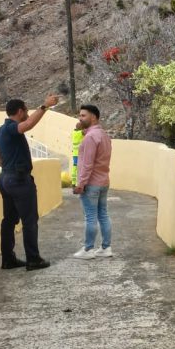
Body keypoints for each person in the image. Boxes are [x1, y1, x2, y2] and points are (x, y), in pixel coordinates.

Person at [0, 95, 59, 271]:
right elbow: (27, 126)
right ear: (20, 111)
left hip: (5, 178)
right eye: (26, 111)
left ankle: (8, 259)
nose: (27, 114)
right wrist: (44, 106)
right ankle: (33, 259)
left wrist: (9, 168)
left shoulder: (0, 130)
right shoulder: (12, 128)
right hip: (19, 180)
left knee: (9, 220)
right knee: (29, 220)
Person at [72, 104, 113, 260]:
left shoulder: (90, 138)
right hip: (103, 181)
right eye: (80, 115)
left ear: (93, 117)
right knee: (103, 215)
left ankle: (88, 249)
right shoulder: (103, 135)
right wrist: (81, 129)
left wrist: (80, 184)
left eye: (83, 115)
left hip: (91, 183)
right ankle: (106, 247)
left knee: (90, 217)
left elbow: (87, 164)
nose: (80, 118)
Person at [70, 120, 85, 185]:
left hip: (75, 154)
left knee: (75, 167)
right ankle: (80, 183)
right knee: (81, 168)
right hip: (80, 153)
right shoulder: (80, 133)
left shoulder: (73, 132)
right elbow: (86, 132)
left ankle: (73, 182)